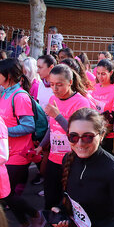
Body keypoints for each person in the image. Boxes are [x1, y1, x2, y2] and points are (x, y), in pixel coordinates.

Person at [50, 108, 114, 227]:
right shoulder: (68, 159)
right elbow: (72, 198)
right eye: (73, 136)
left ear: (102, 135)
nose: (80, 143)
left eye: (88, 137)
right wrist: (61, 211)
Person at [38, 64, 91, 213]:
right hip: (54, 159)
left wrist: (58, 115)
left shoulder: (81, 103)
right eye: (52, 84)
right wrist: (42, 145)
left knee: (68, 202)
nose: (54, 89)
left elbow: (80, 135)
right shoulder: (52, 98)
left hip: (72, 161)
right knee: (50, 200)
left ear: (70, 82)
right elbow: (52, 127)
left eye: (59, 85)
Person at [0, 59, 46, 227]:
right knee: (6, 195)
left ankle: (36, 216)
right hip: (6, 153)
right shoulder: (5, 94)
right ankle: (25, 225)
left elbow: (28, 126)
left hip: (19, 154)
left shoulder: (20, 96)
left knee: (6, 194)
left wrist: (4, 130)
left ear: (8, 76)